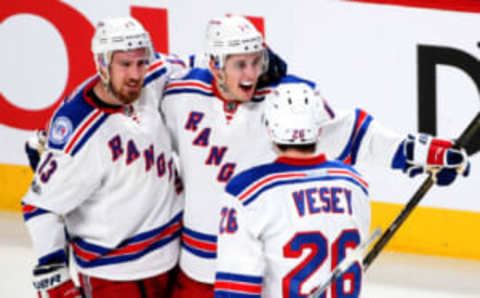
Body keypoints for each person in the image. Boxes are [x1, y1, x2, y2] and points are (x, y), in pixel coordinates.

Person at [160, 15, 469, 297]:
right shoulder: (180, 94)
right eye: (241, 64)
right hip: (196, 270)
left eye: (256, 62)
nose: (251, 73)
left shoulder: (283, 101)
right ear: (215, 64)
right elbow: (143, 69)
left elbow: (354, 133)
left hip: (261, 271)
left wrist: (422, 152)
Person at [21, 16, 184, 297]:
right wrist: (54, 278)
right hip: (114, 276)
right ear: (102, 64)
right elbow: (40, 207)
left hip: (173, 259)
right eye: (124, 64)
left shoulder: (152, 78)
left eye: (140, 62)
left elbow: (197, 64)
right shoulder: (78, 130)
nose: (135, 74)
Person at [214, 82, 370, 298]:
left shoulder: (247, 192)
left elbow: (236, 288)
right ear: (319, 128)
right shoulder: (355, 183)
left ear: (269, 127)